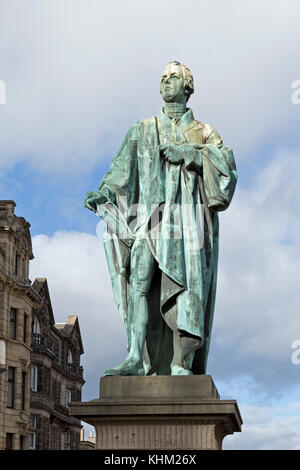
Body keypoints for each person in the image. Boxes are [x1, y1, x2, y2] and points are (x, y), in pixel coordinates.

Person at [84, 61, 237, 376]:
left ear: (187, 87)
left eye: (173, 78)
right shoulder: (142, 128)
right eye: (163, 78)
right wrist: (105, 194)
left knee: (187, 288)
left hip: (189, 221)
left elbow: (226, 175)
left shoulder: (205, 132)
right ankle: (135, 356)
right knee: (138, 282)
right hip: (151, 215)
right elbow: (120, 171)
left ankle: (180, 362)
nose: (166, 82)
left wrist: (193, 155)